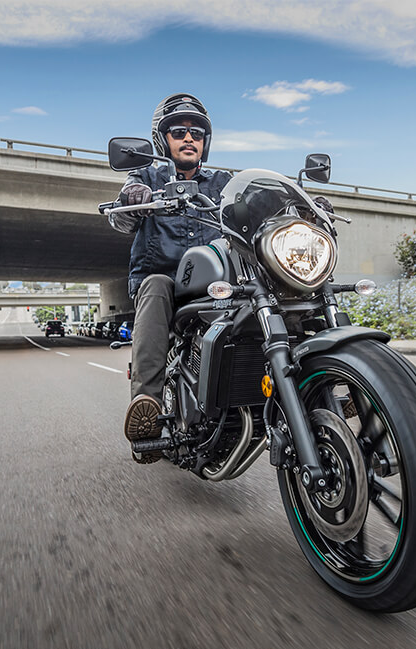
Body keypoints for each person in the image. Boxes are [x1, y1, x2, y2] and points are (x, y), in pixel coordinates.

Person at [109, 93, 232, 462]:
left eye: (197, 132)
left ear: (205, 142)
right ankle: (147, 406)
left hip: (214, 285)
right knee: (157, 285)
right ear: (164, 140)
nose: (189, 138)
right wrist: (134, 197)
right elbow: (121, 216)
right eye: (179, 131)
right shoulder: (145, 176)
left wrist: (298, 202)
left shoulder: (224, 182)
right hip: (165, 286)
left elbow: (255, 202)